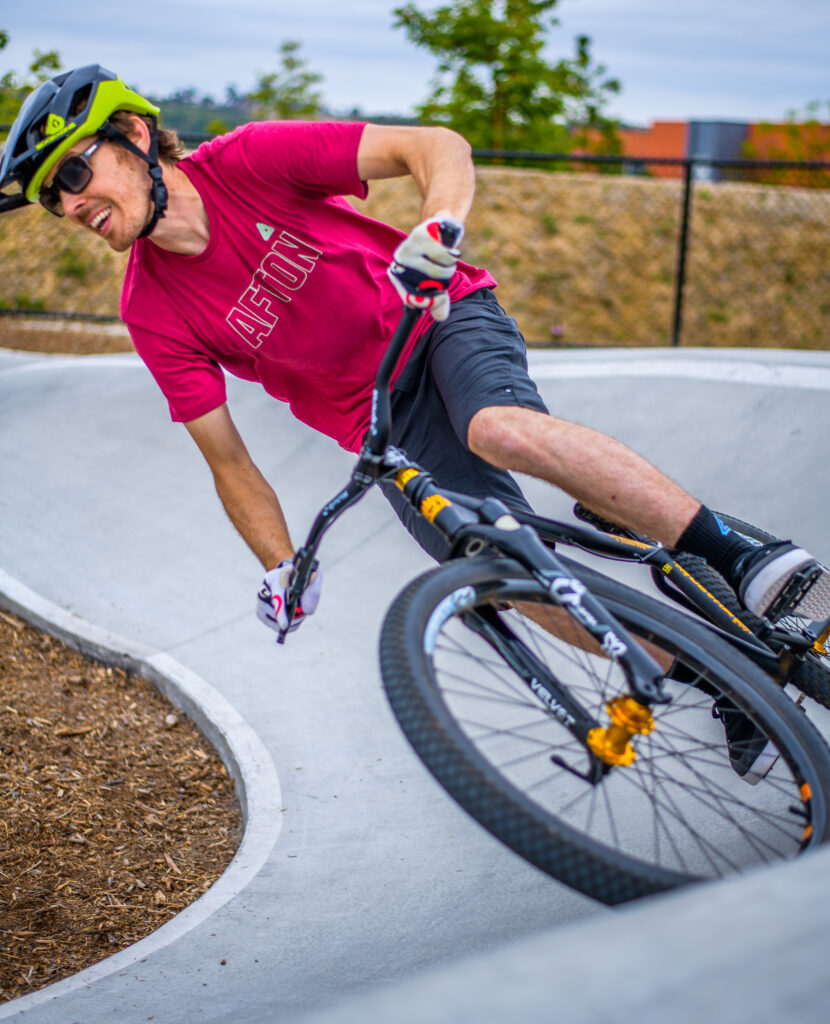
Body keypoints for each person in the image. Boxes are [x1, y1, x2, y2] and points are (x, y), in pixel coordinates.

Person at [2, 64, 828, 664]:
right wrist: (281, 566)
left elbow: (433, 144)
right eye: (52, 198)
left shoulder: (249, 161)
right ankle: (724, 680)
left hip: (437, 319)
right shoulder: (151, 307)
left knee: (498, 427)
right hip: (383, 422)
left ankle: (745, 559)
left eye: (74, 172)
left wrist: (435, 228)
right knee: (489, 566)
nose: (71, 206)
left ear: (136, 136)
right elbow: (227, 458)